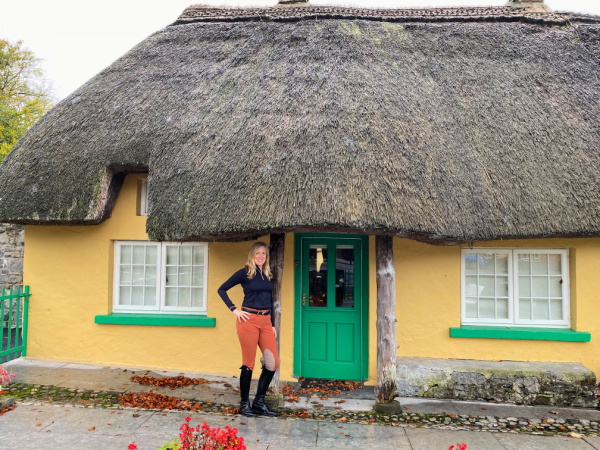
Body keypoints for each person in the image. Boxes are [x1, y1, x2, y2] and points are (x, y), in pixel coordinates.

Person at [217, 242, 279, 417]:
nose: (261, 256)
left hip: (266, 321)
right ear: (252, 255)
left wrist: (272, 324)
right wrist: (234, 310)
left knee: (273, 363)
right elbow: (222, 289)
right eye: (258, 253)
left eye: (264, 254)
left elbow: (270, 300)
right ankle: (244, 405)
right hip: (248, 320)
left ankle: (259, 403)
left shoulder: (268, 274)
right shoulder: (244, 272)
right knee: (248, 364)